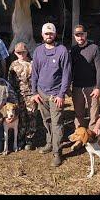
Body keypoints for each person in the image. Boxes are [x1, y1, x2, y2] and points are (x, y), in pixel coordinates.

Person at [31, 22, 72, 167]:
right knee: (46, 120)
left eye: (51, 33)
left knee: (57, 124)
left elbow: (67, 74)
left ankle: (57, 152)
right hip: (41, 93)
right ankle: (49, 143)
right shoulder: (38, 51)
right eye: (46, 33)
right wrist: (34, 92)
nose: (49, 36)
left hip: (56, 94)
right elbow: (34, 73)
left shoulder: (62, 51)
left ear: (55, 34)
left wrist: (61, 94)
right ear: (42, 35)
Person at [70, 24, 100, 130]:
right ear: (74, 36)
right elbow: (69, 70)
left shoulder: (94, 48)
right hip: (77, 87)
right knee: (79, 114)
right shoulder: (73, 50)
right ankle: (80, 137)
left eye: (82, 34)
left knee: (93, 114)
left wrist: (98, 87)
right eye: (77, 35)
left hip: (92, 86)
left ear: (86, 34)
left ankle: (93, 137)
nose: (80, 37)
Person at [8, 42, 37, 151]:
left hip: (30, 94)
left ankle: (29, 139)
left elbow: (37, 79)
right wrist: (12, 97)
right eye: (18, 52)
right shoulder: (13, 65)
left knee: (31, 116)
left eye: (23, 52)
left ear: (27, 52)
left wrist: (35, 94)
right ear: (15, 53)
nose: (21, 54)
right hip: (18, 95)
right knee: (21, 117)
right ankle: (20, 139)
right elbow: (10, 82)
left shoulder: (33, 63)